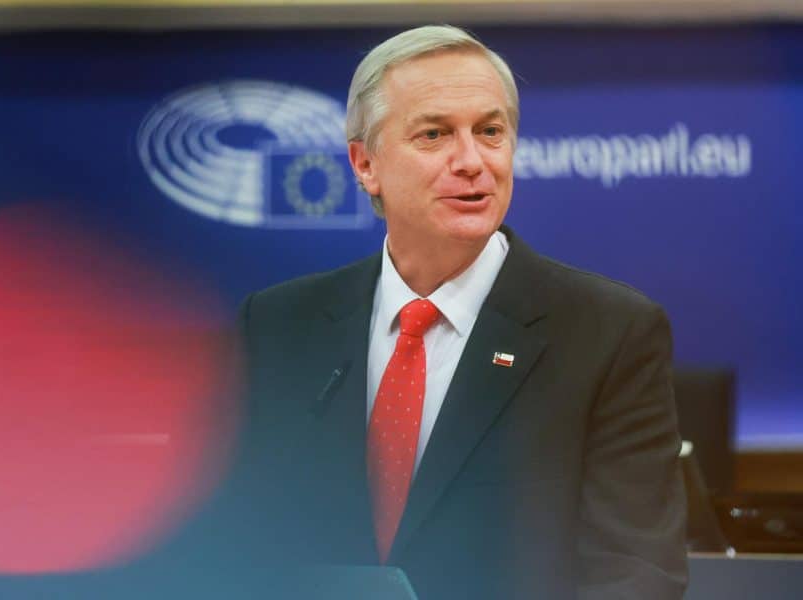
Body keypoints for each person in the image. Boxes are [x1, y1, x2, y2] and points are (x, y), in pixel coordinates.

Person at [231, 25, 687, 599]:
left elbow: (637, 574)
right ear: (365, 163)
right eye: (434, 134)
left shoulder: (609, 332)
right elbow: (233, 546)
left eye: (490, 131)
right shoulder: (277, 326)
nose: (471, 161)